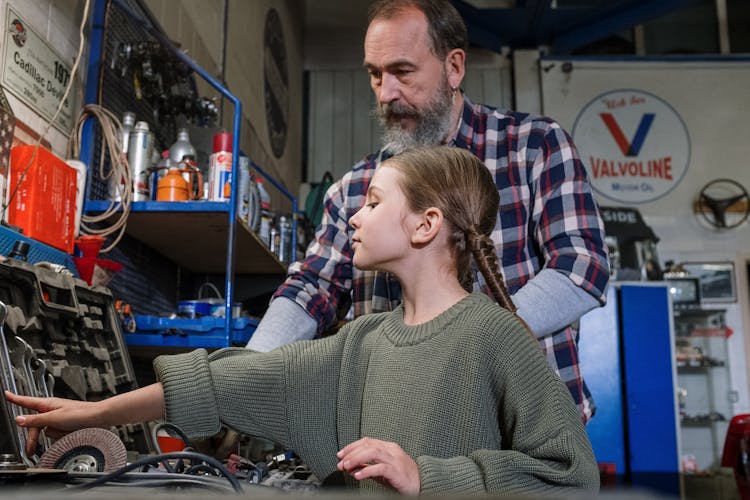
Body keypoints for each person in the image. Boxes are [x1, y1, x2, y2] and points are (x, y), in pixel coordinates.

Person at [6, 146, 599, 494]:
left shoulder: (494, 336)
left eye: (372, 203)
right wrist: (96, 413)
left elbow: (570, 475)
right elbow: (229, 380)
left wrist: (427, 477)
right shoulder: (365, 341)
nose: (355, 219)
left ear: (425, 225)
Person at [247, 0, 610, 423]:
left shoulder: (535, 148)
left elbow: (582, 267)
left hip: (527, 434)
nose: (385, 93)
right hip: (402, 434)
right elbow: (310, 289)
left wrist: (466, 340)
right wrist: (247, 375)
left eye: (402, 72)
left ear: (454, 67)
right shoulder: (355, 189)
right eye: (374, 74)